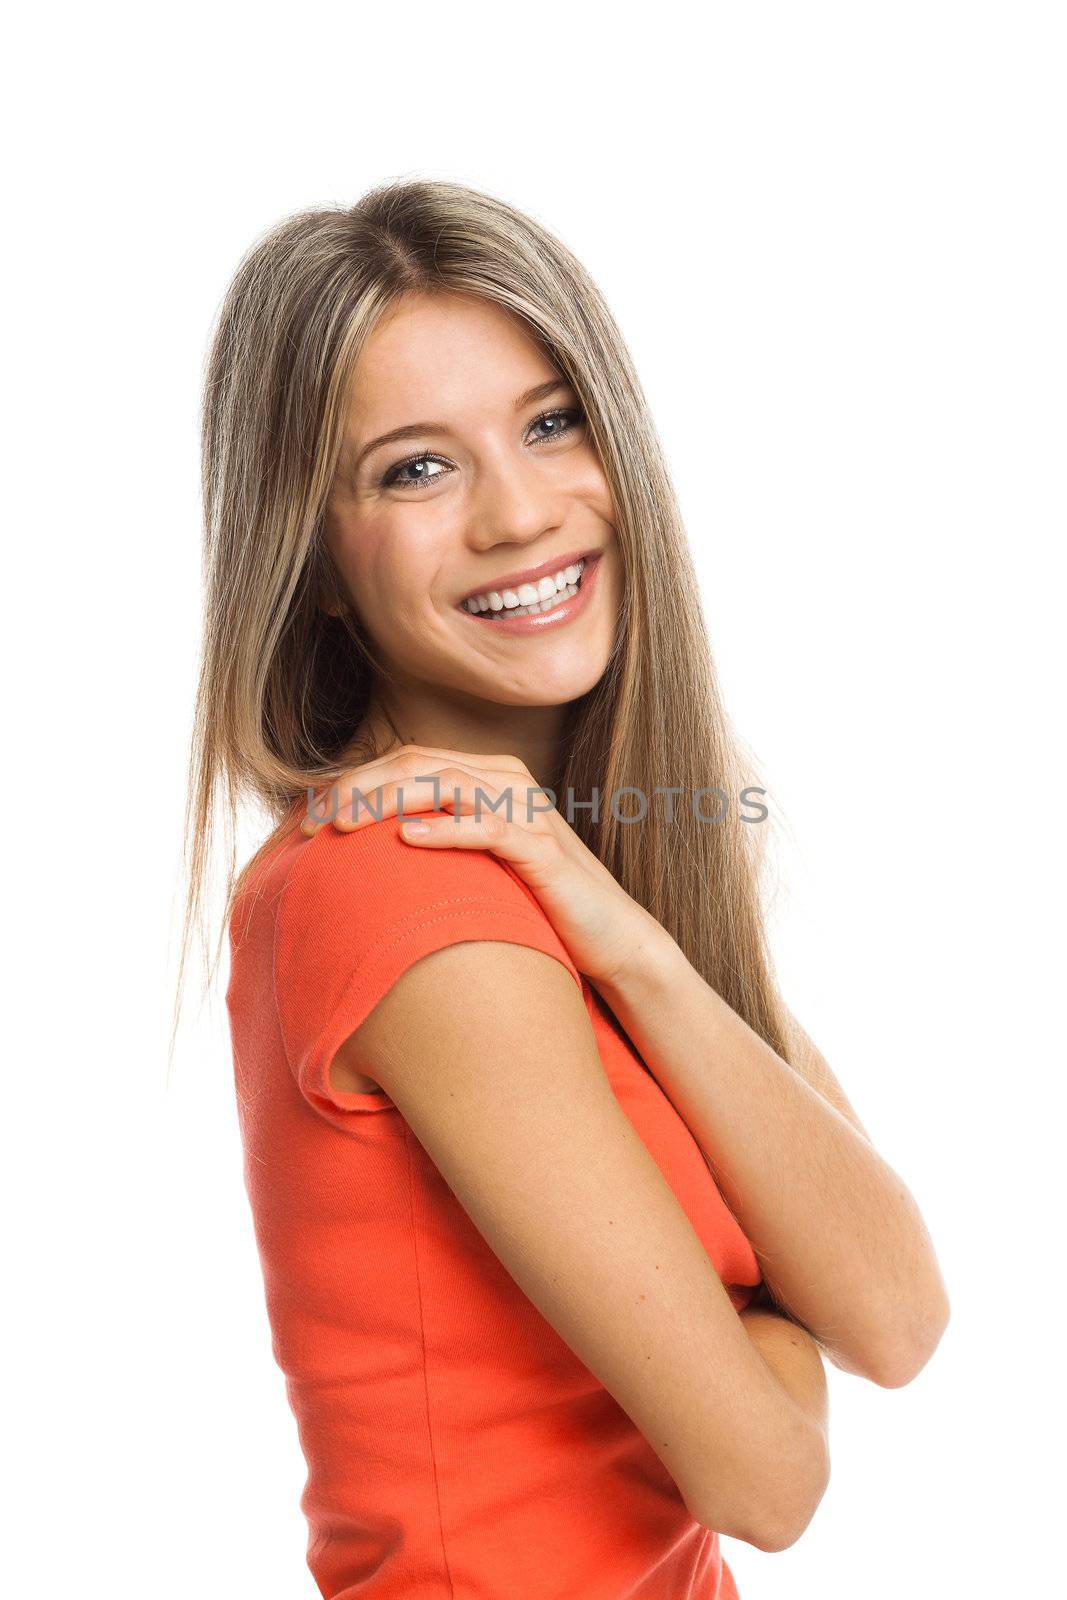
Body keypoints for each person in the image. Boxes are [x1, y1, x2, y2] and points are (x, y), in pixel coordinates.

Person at [176, 177, 950, 1599]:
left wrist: (642, 946)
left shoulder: (573, 872)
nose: (522, 513)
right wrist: (776, 1311)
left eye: (550, 422)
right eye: (417, 468)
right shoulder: (405, 898)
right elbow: (768, 1481)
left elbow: (898, 1317)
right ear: (319, 569)